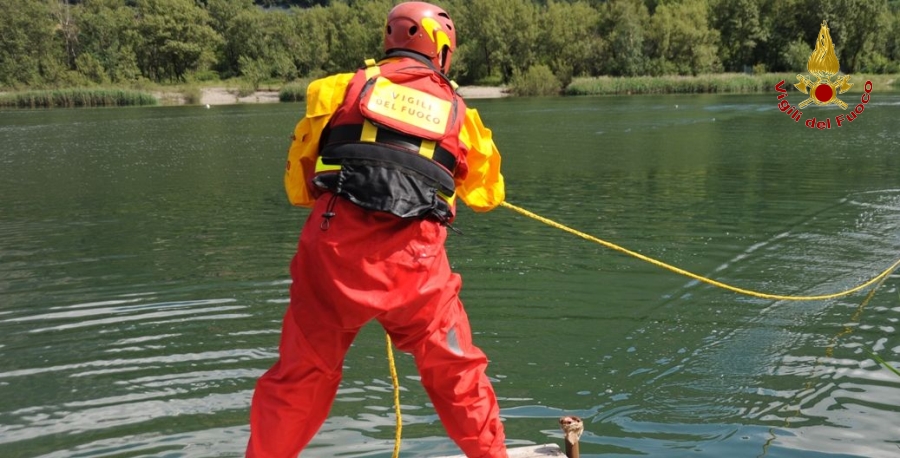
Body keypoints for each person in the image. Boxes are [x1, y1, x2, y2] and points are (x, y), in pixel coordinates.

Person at [246, 2, 508, 457]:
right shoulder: (461, 114)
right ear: (443, 52)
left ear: (389, 42)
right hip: (417, 269)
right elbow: (487, 195)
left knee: (301, 376)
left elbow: (298, 186)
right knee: (456, 373)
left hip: (332, 259)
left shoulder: (334, 91)